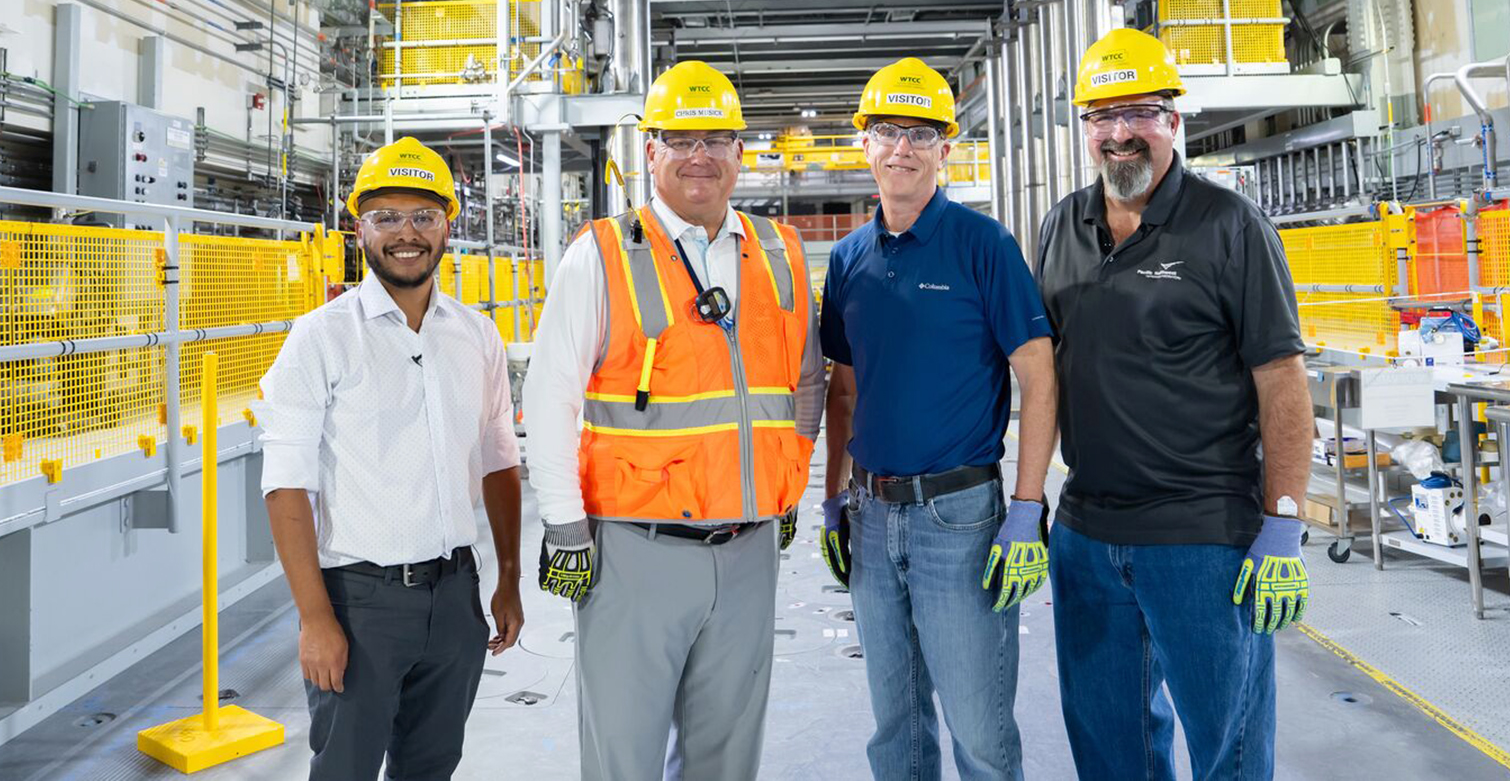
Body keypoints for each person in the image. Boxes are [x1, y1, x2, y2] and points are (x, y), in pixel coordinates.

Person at [527, 59, 825, 781]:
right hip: (636, 553)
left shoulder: (780, 252)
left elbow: (807, 381)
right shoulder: (600, 256)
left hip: (749, 550)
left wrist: (784, 484)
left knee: (728, 759)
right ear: (650, 151)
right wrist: (566, 527)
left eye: (716, 139)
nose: (700, 156)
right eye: (679, 139)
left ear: (740, 152)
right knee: (624, 757)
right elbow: (549, 396)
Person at [1034, 28, 1314, 781]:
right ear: (1085, 127)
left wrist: (1285, 520)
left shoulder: (1229, 226)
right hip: (1087, 535)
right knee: (1110, 751)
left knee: (1228, 749)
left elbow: (1281, 377)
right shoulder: (1062, 226)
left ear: (1173, 123)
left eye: (1140, 114)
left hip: (1202, 539)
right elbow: (1040, 372)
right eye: (1102, 116)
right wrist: (1026, 503)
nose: (1120, 134)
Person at [819, 57, 1056, 781]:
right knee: (896, 732)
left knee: (979, 730)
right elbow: (843, 390)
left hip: (960, 517)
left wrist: (1025, 509)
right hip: (870, 512)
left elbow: (1040, 378)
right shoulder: (849, 259)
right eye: (887, 132)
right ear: (863, 143)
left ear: (946, 149)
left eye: (921, 134)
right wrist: (831, 499)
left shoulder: (984, 246)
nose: (903, 149)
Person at [258, 136, 523, 781]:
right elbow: (286, 484)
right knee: (344, 770)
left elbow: (497, 458)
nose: (407, 233)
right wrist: (316, 619)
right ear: (359, 228)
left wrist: (508, 577)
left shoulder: (476, 335)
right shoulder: (321, 338)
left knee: (431, 769)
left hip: (456, 597)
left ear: (448, 224)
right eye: (386, 218)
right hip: (360, 602)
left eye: (423, 216)